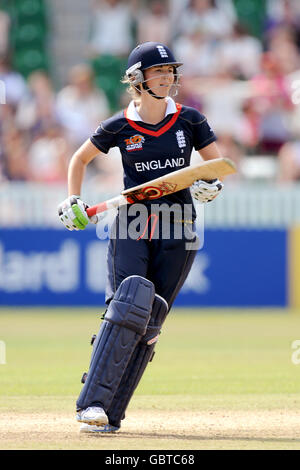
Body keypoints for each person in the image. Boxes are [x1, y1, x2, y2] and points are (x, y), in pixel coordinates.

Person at [58, 42, 224, 434]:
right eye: (159, 71)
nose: (168, 77)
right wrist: (73, 198)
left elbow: (216, 167)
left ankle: (111, 414)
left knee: (151, 321)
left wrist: (211, 185)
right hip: (133, 221)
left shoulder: (191, 120)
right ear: (137, 78)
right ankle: (93, 404)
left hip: (179, 224)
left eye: (171, 71)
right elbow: (78, 159)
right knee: (128, 303)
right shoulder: (118, 126)